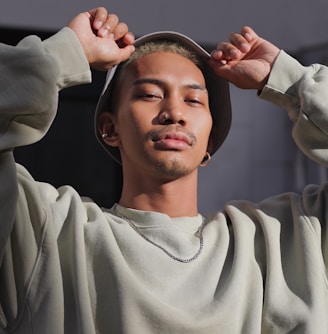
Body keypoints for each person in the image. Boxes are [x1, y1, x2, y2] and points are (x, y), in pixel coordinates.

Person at [1, 6, 328, 334]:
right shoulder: (49, 231)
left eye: (194, 101)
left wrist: (291, 79)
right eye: (149, 95)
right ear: (109, 128)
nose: (174, 112)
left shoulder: (289, 237)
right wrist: (63, 53)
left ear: (210, 139)